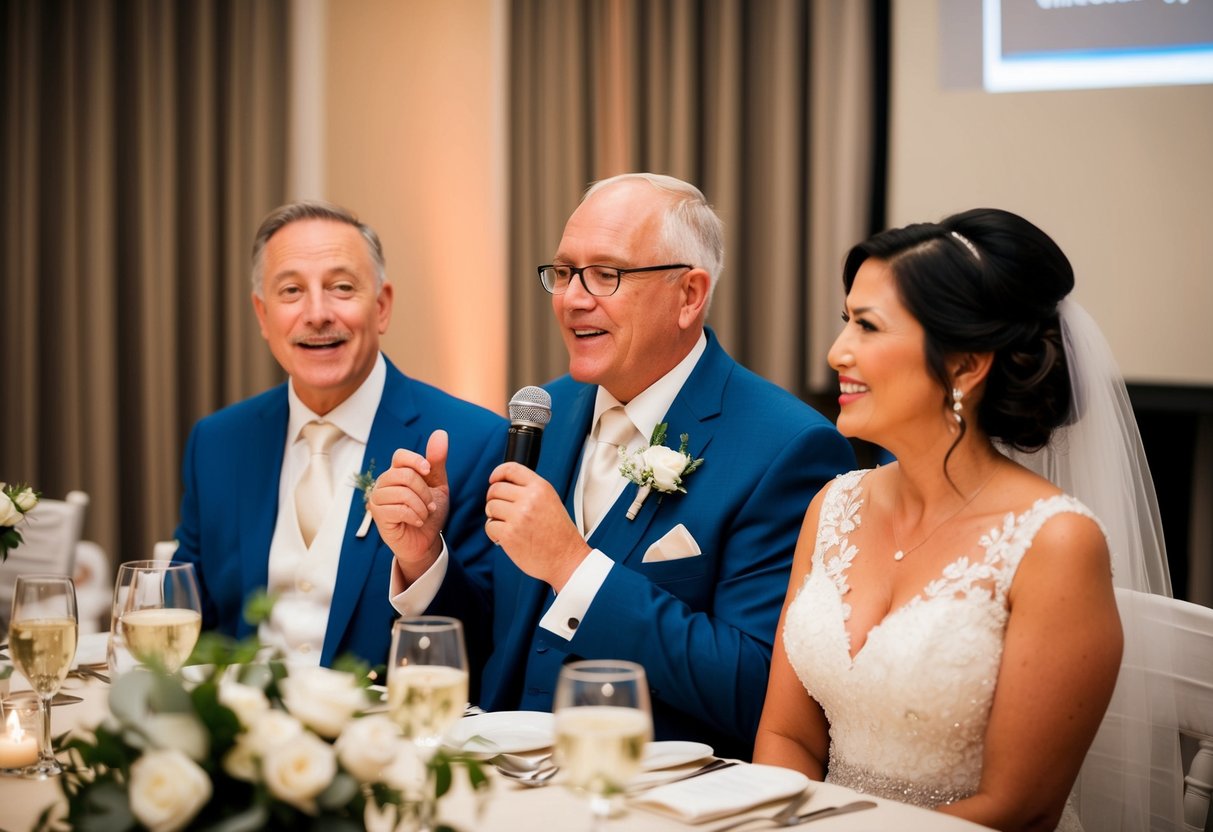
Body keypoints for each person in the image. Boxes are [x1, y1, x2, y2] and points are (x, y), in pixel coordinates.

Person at [370, 173, 855, 759]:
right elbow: (503, 641)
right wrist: (425, 558)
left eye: (607, 274)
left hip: (654, 798)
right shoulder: (540, 420)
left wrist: (574, 566)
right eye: (564, 272)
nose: (573, 298)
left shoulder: (788, 446)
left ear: (690, 295)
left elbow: (756, 689)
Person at [752, 208, 1171, 832]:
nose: (837, 351)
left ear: (965, 366)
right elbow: (788, 735)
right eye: (846, 322)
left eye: (867, 327)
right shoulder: (833, 505)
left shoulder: (1055, 543)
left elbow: (1020, 809)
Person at [173, 200, 505, 668]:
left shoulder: (472, 441)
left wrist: (423, 559)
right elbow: (187, 615)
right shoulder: (218, 442)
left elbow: (491, 646)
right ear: (263, 315)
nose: (317, 313)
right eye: (291, 291)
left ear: (382, 306)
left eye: (341, 288)